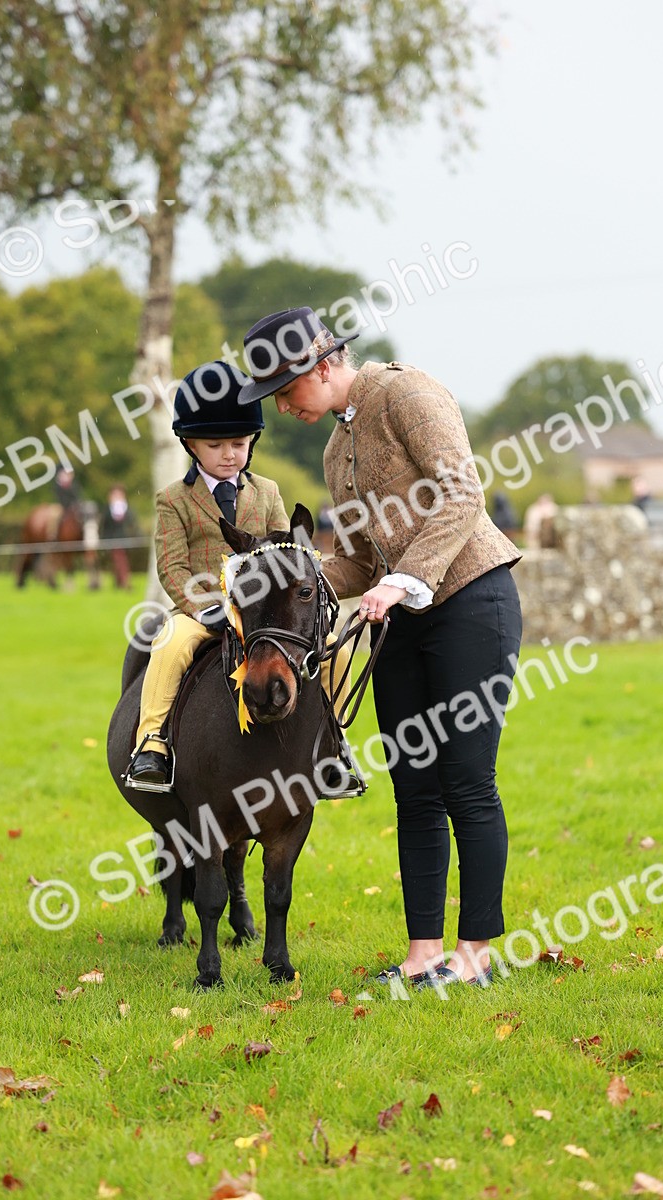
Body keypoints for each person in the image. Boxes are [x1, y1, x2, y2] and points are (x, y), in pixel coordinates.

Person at [239, 308, 523, 988]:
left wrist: (404, 581)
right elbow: (360, 563)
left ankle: (476, 956)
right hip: (401, 618)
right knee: (413, 789)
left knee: (467, 782)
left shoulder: (406, 392)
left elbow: (461, 493)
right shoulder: (336, 453)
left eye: (285, 389)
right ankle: (424, 955)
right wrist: (287, 580)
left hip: (473, 604)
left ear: (321, 365)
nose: (281, 405)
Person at [128, 360, 359, 798]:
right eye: (216, 445)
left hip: (262, 611)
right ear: (190, 444)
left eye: (239, 442)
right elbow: (172, 567)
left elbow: (282, 550)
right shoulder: (173, 500)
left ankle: (333, 743)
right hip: (203, 610)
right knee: (170, 643)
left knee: (333, 652)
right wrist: (204, 607)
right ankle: (153, 742)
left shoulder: (267, 492)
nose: (229, 454)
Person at [100, 485, 140, 589]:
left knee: (121, 560)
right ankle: (124, 582)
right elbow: (104, 526)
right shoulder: (107, 510)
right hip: (113, 540)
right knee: (119, 559)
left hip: (126, 539)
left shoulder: (128, 510)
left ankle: (121, 582)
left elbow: (133, 525)